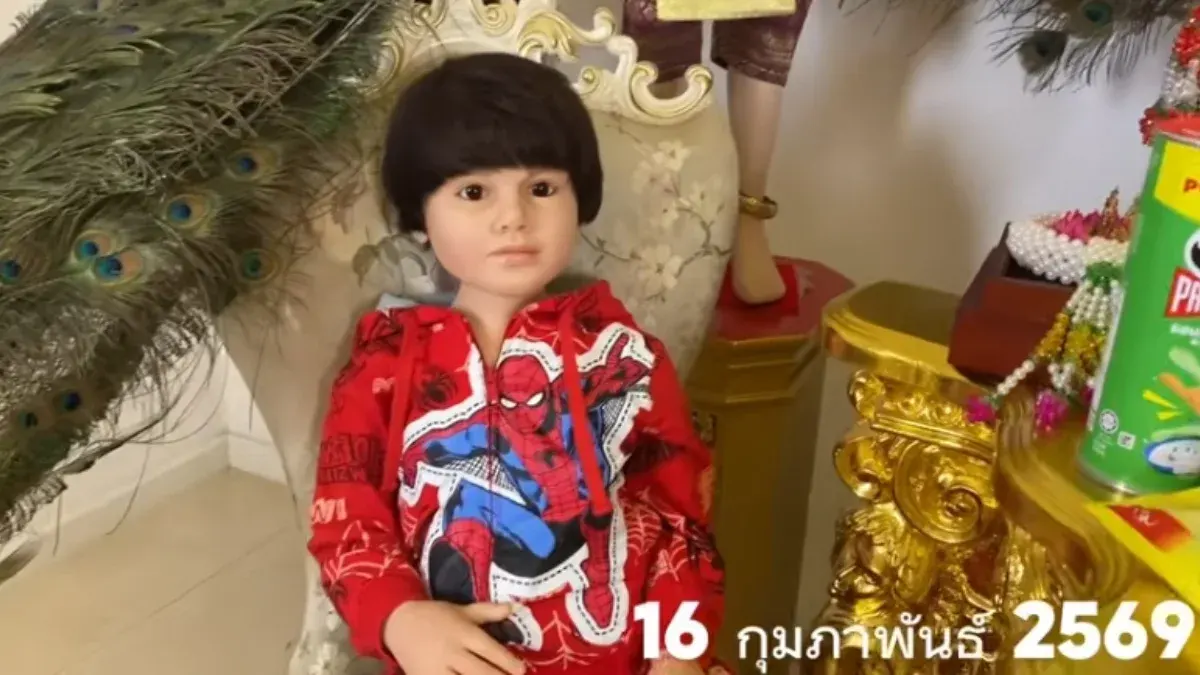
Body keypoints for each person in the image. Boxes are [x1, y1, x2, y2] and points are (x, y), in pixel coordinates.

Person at [307, 52, 727, 675]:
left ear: (580, 199)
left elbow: (678, 519)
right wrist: (400, 618)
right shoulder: (383, 369)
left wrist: (678, 650)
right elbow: (346, 521)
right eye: (474, 192)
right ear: (420, 215)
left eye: (541, 189)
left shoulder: (626, 358)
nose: (513, 217)